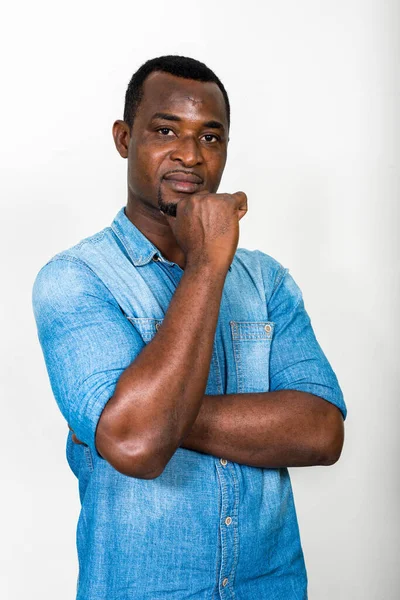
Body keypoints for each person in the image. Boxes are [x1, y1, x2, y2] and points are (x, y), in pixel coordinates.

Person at [32, 55, 347, 600]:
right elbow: (137, 447)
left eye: (211, 137)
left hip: (270, 589)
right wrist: (207, 265)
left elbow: (322, 433)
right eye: (165, 130)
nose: (190, 154)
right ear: (124, 138)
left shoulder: (267, 282)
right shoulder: (74, 279)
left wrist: (146, 417)